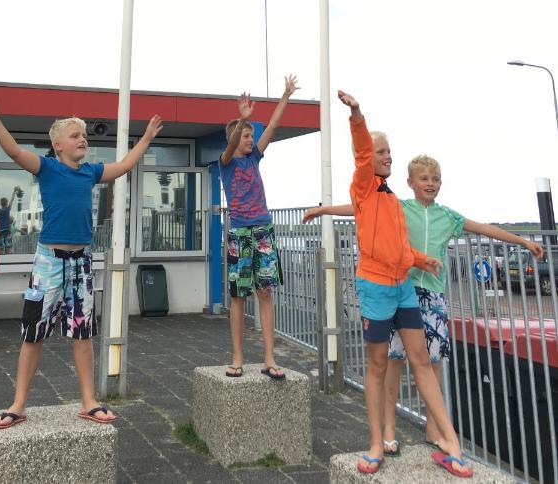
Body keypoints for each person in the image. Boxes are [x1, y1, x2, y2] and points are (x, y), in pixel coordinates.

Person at [303, 153, 544, 458]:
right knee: (394, 360)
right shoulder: (400, 208)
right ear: (411, 183)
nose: (431, 184)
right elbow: (360, 208)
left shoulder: (448, 216)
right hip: (399, 289)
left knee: (432, 363)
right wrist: (324, 209)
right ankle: (388, 429)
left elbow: (483, 228)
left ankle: (434, 427)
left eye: (436, 179)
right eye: (425, 179)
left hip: (432, 295)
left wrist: (522, 242)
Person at [304, 92, 472, 477]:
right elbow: (363, 152)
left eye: (389, 152)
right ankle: (377, 444)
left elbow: (397, 246)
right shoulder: (363, 186)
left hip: (403, 289)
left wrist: (419, 259)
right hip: (375, 290)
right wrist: (357, 115)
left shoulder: (393, 199)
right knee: (378, 365)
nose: (387, 157)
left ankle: (450, 442)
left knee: (422, 362)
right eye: (382, 152)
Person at [0, 93, 163, 430]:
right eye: (75, 135)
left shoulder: (90, 172)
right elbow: (16, 151)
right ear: (58, 144)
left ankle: (88, 402)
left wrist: (147, 138)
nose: (83, 139)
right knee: (33, 334)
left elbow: (123, 166)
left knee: (83, 333)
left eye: (85, 135)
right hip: (48, 263)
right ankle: (18, 404)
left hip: (82, 263)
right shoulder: (47, 168)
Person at [220, 74, 299, 381]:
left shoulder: (254, 158)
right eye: (245, 136)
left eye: (251, 135)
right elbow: (228, 147)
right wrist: (241, 120)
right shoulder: (225, 162)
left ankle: (269, 357)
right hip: (239, 233)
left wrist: (285, 96)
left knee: (265, 293)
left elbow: (274, 128)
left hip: (263, 230)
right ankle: (237, 356)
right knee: (239, 296)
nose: (250, 139)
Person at [0, 187, 23, 254]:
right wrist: (14, 191)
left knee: (1, 248)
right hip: (7, 231)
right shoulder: (7, 210)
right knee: (8, 247)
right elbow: (12, 200)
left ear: (1, 204)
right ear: (7, 203)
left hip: (0, 231)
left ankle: (1, 260)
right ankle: (7, 258)